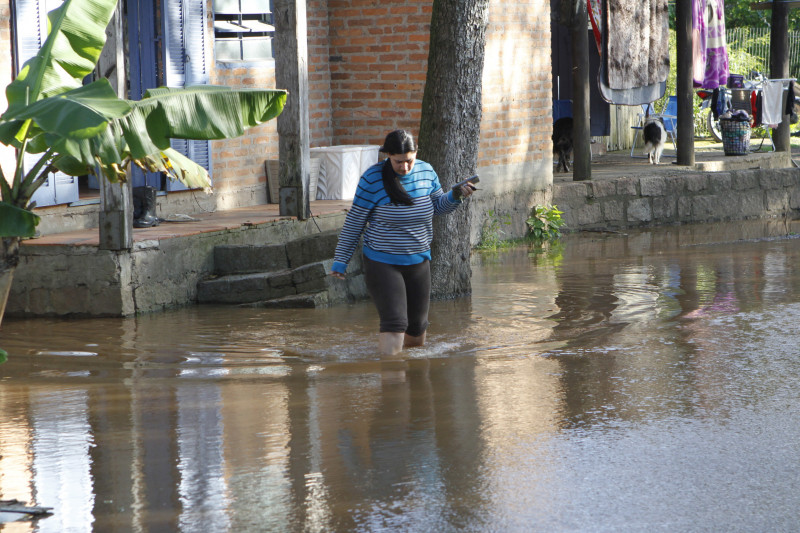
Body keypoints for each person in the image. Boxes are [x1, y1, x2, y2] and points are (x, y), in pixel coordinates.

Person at [329, 129, 477, 356]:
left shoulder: (426, 172)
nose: (405, 167)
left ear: (415, 153)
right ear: (387, 155)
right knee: (395, 323)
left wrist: (455, 196)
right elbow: (354, 222)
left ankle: (414, 380)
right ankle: (391, 382)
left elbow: (437, 207)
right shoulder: (372, 178)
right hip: (382, 261)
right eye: (398, 162)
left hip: (418, 260)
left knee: (417, 328)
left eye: (409, 161)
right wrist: (341, 261)